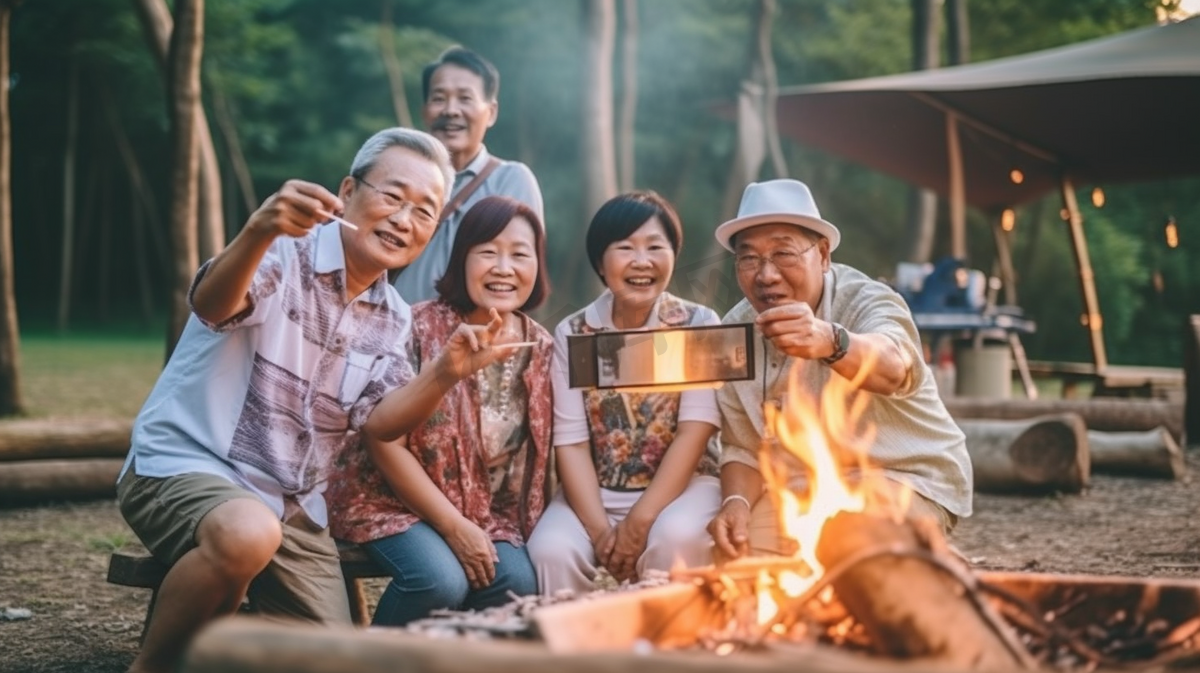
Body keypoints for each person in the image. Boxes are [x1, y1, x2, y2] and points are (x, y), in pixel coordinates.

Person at [115, 128, 515, 673]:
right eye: (393, 197)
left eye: (425, 211)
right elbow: (213, 305)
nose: (404, 219)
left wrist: (443, 372)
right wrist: (258, 229)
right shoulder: (284, 251)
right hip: (188, 465)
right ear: (348, 191)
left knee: (332, 659)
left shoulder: (394, 316)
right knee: (246, 532)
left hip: (293, 507)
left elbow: (380, 423)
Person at [705, 179, 973, 562]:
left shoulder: (866, 298)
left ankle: (924, 564)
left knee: (854, 552)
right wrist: (735, 502)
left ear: (824, 254)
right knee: (734, 566)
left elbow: (896, 366)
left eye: (783, 253)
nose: (765, 275)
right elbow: (742, 447)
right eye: (749, 259)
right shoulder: (736, 333)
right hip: (798, 492)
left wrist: (831, 341)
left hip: (904, 478)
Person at [328, 196, 553, 625]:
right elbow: (382, 443)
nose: (504, 268)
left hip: (486, 513)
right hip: (390, 499)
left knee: (517, 584)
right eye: (487, 252)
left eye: (519, 255)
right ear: (461, 259)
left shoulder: (542, 347)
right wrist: (453, 526)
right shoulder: (414, 326)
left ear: (537, 265)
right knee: (439, 580)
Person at [526, 192, 721, 594]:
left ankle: (665, 649)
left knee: (676, 539)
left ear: (674, 254)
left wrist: (640, 521)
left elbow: (695, 430)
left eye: (655, 247)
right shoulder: (575, 332)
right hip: (596, 492)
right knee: (550, 551)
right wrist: (601, 533)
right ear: (601, 262)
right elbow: (572, 442)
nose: (641, 261)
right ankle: (574, 652)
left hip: (685, 488)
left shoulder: (699, 324)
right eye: (625, 248)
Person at [393, 46, 544, 303]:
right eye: (439, 98)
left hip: (473, 337)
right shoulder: (400, 178)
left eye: (465, 98)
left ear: (491, 112)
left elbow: (520, 275)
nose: (451, 110)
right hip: (388, 335)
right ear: (425, 111)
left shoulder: (512, 180)